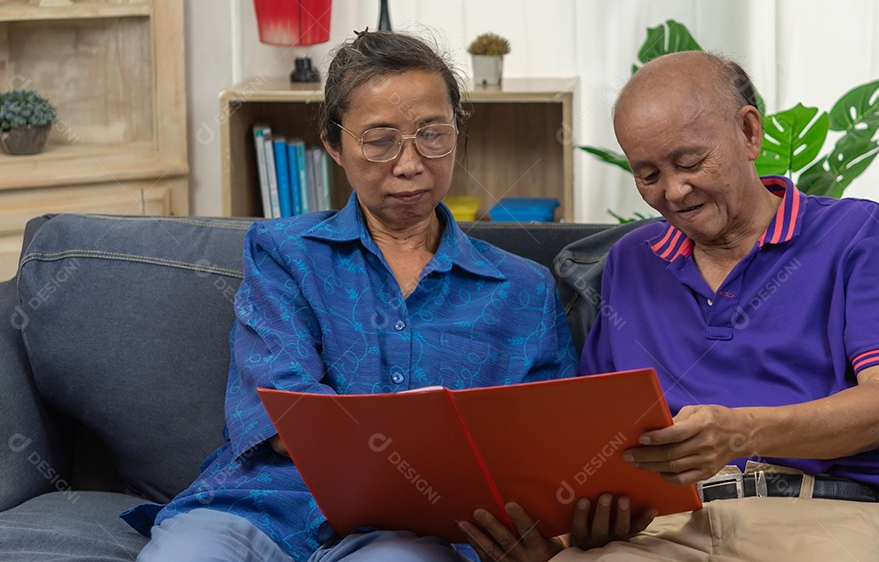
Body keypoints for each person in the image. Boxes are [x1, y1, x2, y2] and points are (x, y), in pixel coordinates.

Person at [123, 30, 577, 562]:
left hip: (421, 531)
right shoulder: (284, 253)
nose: (410, 164)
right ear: (334, 145)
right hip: (264, 507)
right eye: (380, 140)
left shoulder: (524, 290)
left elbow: (549, 450)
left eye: (432, 135)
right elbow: (287, 415)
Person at [462, 51, 879, 562]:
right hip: (662, 531)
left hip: (823, 517)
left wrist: (741, 431)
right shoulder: (631, 261)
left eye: (690, 162)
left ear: (749, 133)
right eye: (647, 175)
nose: (673, 191)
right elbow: (599, 439)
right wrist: (572, 531)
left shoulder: (857, 233)